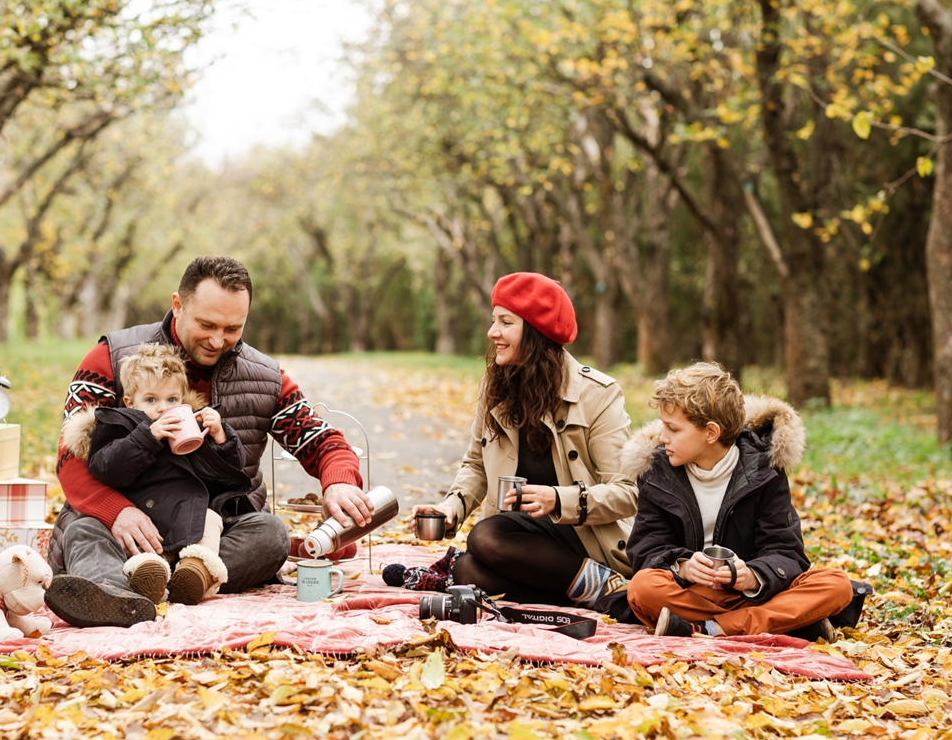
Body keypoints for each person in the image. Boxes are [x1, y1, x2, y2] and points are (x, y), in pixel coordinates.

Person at [46, 256, 374, 628]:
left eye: (232, 328)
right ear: (178, 305)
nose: (218, 340)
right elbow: (68, 456)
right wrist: (116, 511)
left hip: (211, 533)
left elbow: (321, 440)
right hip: (123, 523)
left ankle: (179, 578)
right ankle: (111, 591)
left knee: (270, 536)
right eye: (206, 324)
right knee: (83, 530)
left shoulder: (266, 377)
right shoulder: (112, 356)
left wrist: (340, 483)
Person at [408, 272, 639, 607]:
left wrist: (557, 499)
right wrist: (450, 508)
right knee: (467, 571)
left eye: (505, 322)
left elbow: (627, 493)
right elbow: (476, 464)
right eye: (493, 320)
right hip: (520, 538)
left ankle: (605, 585)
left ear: (535, 330)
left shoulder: (598, 395)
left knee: (484, 537)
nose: (492, 333)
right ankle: (600, 598)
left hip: (583, 540)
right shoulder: (496, 385)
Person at [621, 362, 853, 641]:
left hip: (754, 595)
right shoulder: (657, 472)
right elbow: (645, 548)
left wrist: (752, 576)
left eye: (673, 429)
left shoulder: (765, 470)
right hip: (692, 594)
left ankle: (711, 629)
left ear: (710, 432)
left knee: (836, 584)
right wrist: (683, 566)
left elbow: (787, 552)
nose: (662, 437)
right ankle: (783, 622)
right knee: (643, 588)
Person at [60, 342, 254, 610]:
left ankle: (194, 573)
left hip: (188, 529)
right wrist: (147, 437)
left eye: (172, 400)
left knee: (264, 531)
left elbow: (227, 476)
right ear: (130, 402)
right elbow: (106, 468)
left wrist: (221, 438)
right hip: (136, 536)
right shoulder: (118, 425)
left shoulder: (190, 426)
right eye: (151, 400)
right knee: (82, 531)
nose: (163, 409)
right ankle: (116, 591)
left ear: (183, 400)